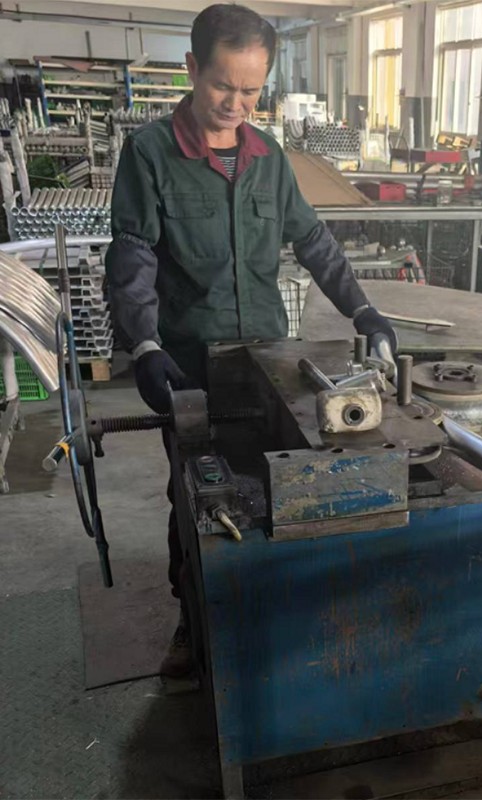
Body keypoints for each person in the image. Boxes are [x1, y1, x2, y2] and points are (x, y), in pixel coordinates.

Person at [106, 3, 396, 677]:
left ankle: (268, 625)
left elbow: (315, 243)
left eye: (250, 90)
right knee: (198, 497)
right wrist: (144, 346)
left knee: (277, 487)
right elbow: (133, 257)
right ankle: (193, 619)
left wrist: (364, 312)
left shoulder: (268, 157)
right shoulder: (150, 153)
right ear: (191, 68)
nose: (235, 104)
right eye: (222, 85)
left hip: (270, 358)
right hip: (191, 366)